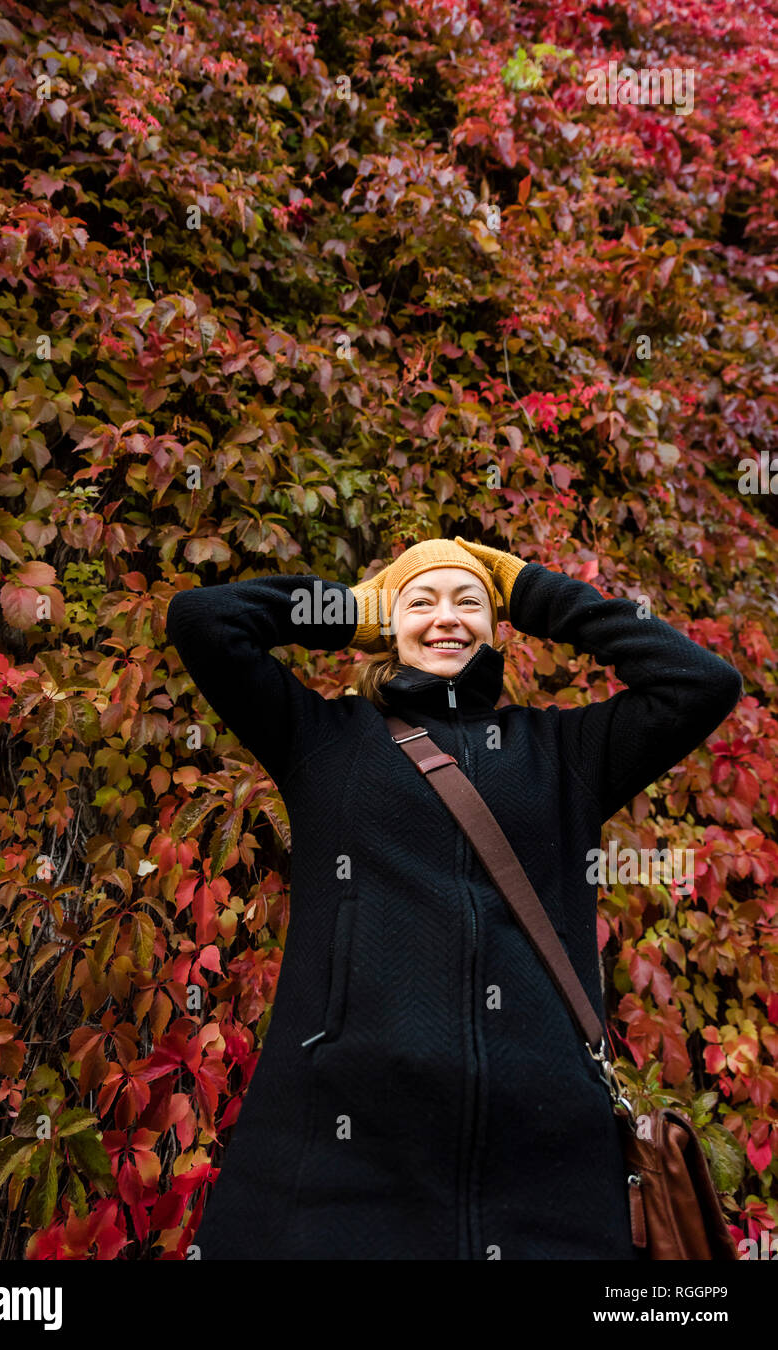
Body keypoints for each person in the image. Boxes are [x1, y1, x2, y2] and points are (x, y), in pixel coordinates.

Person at [165, 535, 742, 1260]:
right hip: (344, 1144)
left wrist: (531, 589)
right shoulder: (320, 739)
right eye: (420, 603)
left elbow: (701, 682)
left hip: (547, 1155)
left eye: (470, 601)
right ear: (386, 623)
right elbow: (202, 618)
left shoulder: (566, 754)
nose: (447, 618)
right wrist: (349, 606)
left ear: (498, 628)